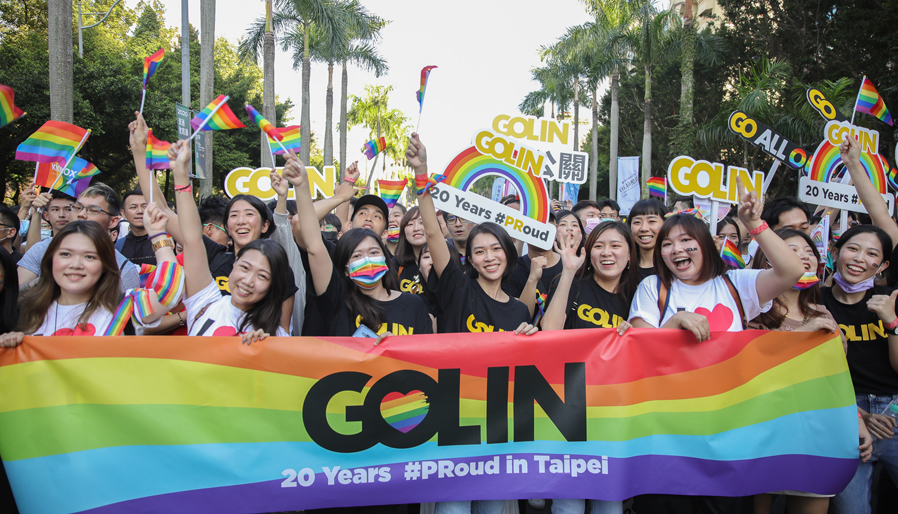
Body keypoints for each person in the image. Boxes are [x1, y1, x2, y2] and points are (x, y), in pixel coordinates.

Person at [629, 186, 803, 514]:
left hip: (729, 435)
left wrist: (755, 224)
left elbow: (792, 271)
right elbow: (641, 349)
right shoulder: (652, 288)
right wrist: (676, 321)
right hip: (668, 436)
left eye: (685, 241)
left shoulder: (737, 285)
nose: (675, 249)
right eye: (667, 244)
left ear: (705, 245)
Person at [410, 135, 536, 514]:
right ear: (472, 259)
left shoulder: (518, 312)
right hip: (454, 421)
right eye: (479, 251)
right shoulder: (456, 286)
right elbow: (433, 231)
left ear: (509, 254)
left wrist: (530, 339)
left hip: (497, 428)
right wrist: (421, 173)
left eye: (496, 249)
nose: (489, 257)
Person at [748, 228, 865, 514]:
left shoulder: (823, 313)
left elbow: (834, 380)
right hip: (763, 435)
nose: (804, 257)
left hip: (815, 435)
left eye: (809, 252)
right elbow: (752, 372)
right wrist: (802, 335)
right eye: (792, 250)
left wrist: (856, 420)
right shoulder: (751, 310)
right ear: (769, 260)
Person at [287, 152, 432, 341]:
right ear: (345, 269)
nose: (367, 260)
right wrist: (302, 186)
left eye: (373, 252)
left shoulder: (413, 305)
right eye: (356, 256)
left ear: (386, 258)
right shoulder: (337, 298)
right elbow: (309, 237)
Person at [167, 140, 289, 342]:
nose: (248, 281)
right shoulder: (205, 301)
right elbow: (192, 238)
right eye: (245, 268)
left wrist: (266, 350)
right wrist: (180, 173)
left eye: (262, 276)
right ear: (234, 266)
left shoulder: (276, 336)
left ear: (273, 286)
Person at [819, 224, 898, 514]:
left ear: (883, 265)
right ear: (835, 252)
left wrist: (892, 323)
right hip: (843, 415)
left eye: (872, 254)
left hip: (894, 413)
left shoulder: (892, 299)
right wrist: (859, 414)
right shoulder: (815, 303)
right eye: (853, 248)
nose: (859, 258)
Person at [0, 220, 172, 344]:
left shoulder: (124, 307)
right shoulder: (25, 312)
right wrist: (9, 344)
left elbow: (168, 292)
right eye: (65, 254)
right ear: (51, 260)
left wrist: (158, 236)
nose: (75, 265)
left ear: (105, 265)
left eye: (89, 257)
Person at [17, 183, 139, 298]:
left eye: (93, 210)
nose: (81, 214)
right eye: (77, 207)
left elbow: (127, 315)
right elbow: (13, 298)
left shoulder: (123, 269)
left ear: (113, 221)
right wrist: (49, 278)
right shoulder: (42, 249)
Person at [542, 221, 638, 333]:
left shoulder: (637, 295)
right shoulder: (572, 284)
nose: (606, 253)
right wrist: (568, 271)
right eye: (598, 246)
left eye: (615, 246)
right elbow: (549, 330)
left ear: (630, 255)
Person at [502, 211, 561, 322]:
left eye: (547, 222)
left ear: (556, 228)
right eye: (535, 223)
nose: (541, 228)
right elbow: (518, 318)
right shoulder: (510, 270)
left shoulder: (572, 267)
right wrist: (532, 279)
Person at [627, 199, 666, 279]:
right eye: (637, 222)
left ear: (665, 224)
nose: (644, 228)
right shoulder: (622, 268)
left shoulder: (674, 268)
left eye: (651, 221)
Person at [116, 189, 156, 266]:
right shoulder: (118, 246)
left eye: (144, 206)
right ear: (123, 214)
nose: (140, 211)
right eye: (133, 207)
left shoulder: (163, 241)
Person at [395, 207, 428, 295]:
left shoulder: (443, 263)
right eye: (410, 224)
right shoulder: (396, 266)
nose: (416, 228)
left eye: (422, 222)